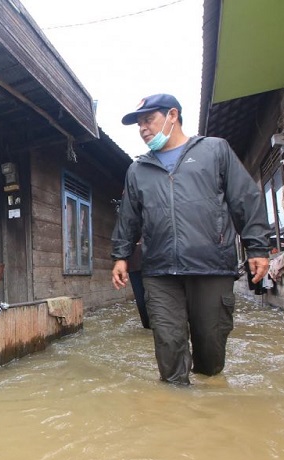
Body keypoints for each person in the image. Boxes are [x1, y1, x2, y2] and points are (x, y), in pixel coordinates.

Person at [111, 94, 271, 385]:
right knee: (168, 344)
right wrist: (120, 256)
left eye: (149, 120)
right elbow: (129, 217)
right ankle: (177, 403)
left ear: (172, 115)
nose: (143, 128)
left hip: (211, 264)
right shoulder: (138, 170)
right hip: (159, 271)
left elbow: (244, 199)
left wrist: (257, 247)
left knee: (210, 347)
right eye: (139, 124)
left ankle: (209, 400)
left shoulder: (215, 150)